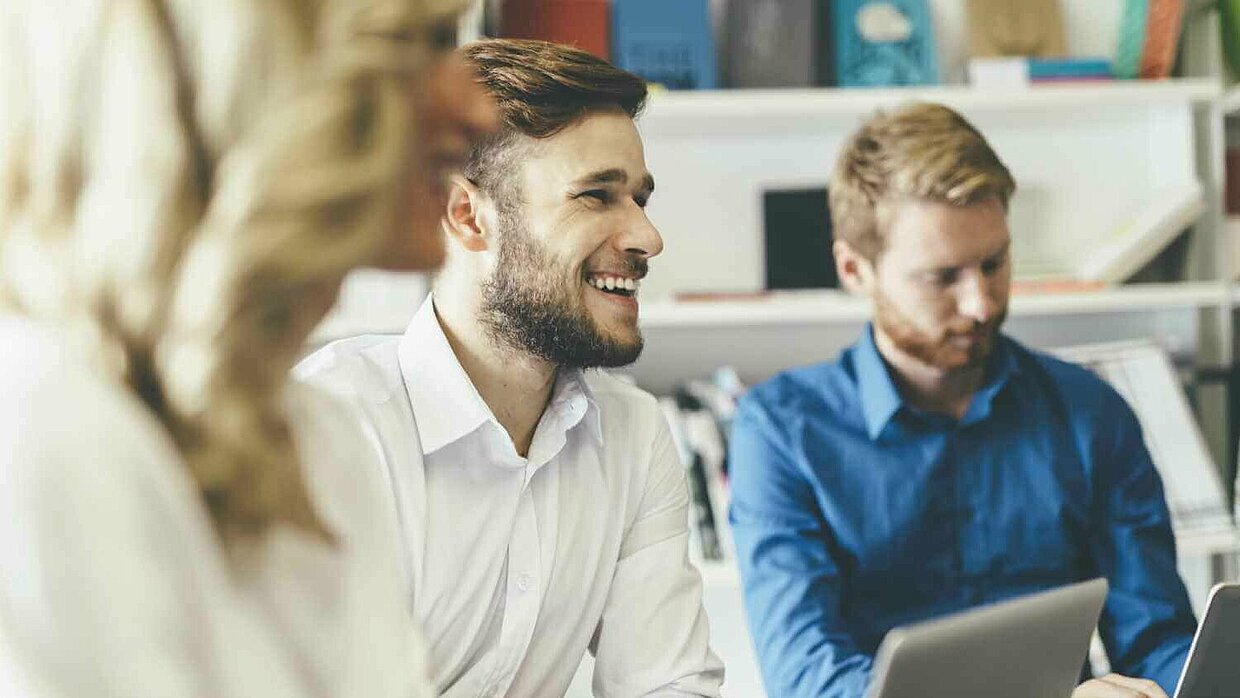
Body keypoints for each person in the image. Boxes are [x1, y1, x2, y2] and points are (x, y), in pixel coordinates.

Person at [0, 0, 495, 695]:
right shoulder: (41, 435)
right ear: (256, 73)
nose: (481, 112)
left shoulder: (318, 442)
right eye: (430, 44)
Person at [297, 38, 725, 697]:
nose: (647, 237)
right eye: (596, 196)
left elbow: (667, 684)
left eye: (640, 198)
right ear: (469, 215)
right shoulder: (333, 426)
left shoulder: (633, 434)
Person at [728, 102, 1195, 698]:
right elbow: (806, 677)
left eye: (994, 264)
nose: (980, 303)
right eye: (942, 277)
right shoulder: (781, 430)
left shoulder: (1091, 413)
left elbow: (1155, 638)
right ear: (854, 268)